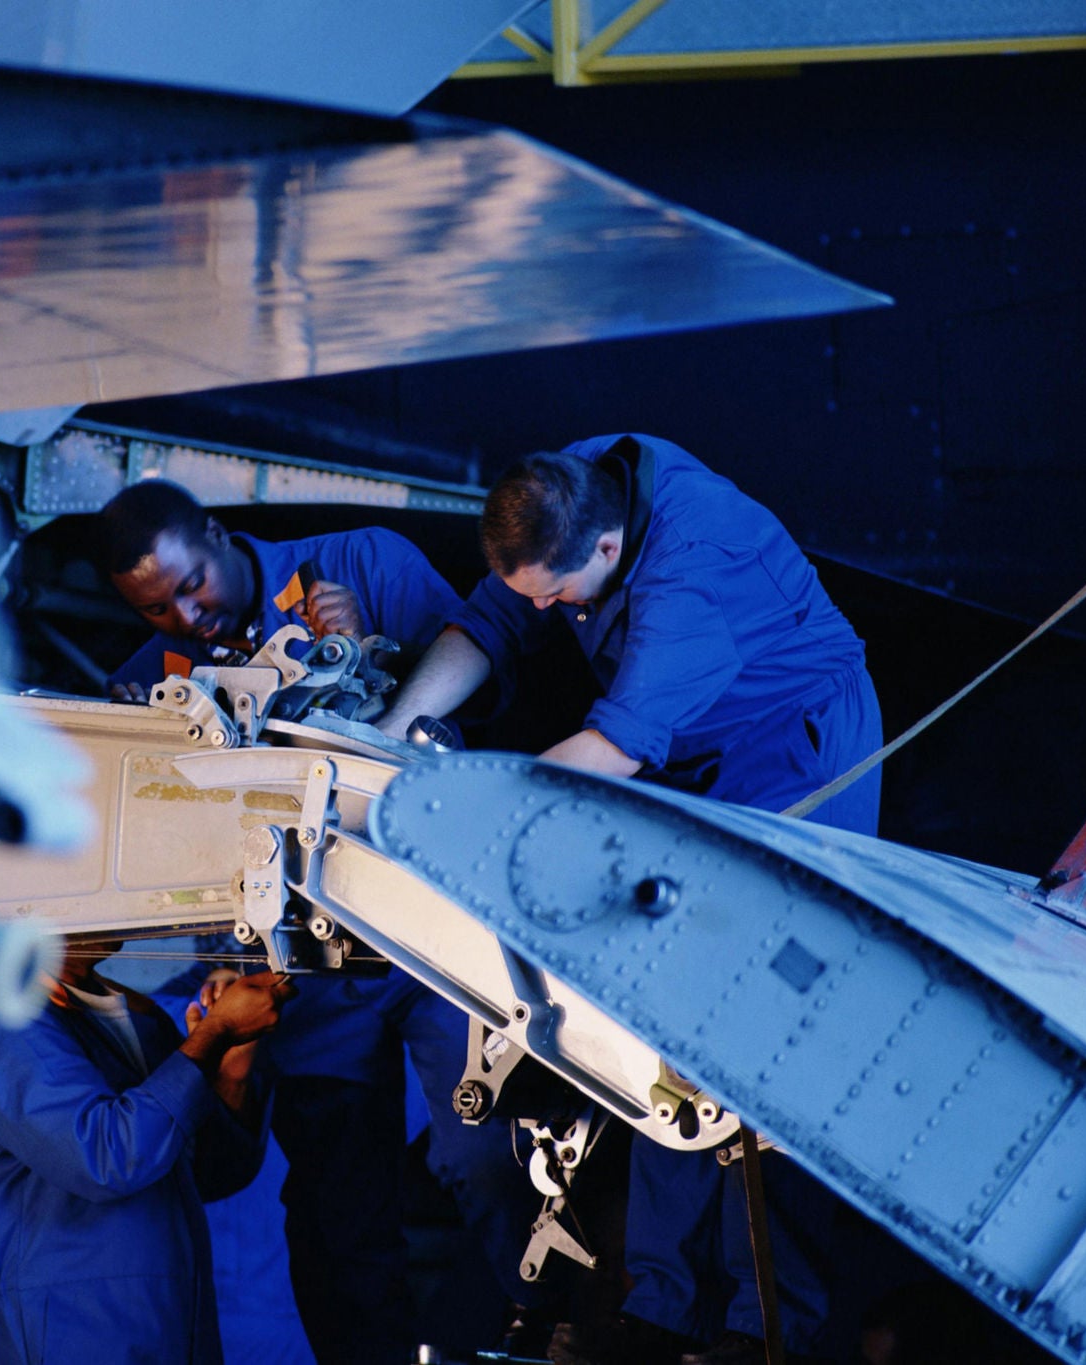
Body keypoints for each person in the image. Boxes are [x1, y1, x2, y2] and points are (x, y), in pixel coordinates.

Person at [377, 434, 885, 1365]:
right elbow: (488, 620)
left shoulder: (692, 572)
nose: (541, 613)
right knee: (665, 1024)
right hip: (695, 765)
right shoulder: (571, 488)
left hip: (797, 764)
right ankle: (658, 1304)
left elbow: (611, 754)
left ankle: (767, 1325)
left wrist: (443, 819)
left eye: (553, 598)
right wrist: (382, 743)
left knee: (770, 1042)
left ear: (606, 553)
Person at [97, 480, 544, 1363]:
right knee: (340, 1212)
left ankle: (561, 1330)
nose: (187, 617)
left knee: (493, 1160)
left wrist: (393, 649)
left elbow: (505, 702)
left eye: (194, 587)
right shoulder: (149, 692)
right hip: (309, 981)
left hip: (432, 940)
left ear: (221, 536)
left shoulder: (360, 566)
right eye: (157, 610)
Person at [0, 937, 290, 1365]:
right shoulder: (3, 1021)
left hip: (175, 1328)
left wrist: (230, 1065)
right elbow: (107, 1158)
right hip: (76, 1334)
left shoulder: (138, 1016)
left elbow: (206, 1172)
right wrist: (215, 1033)